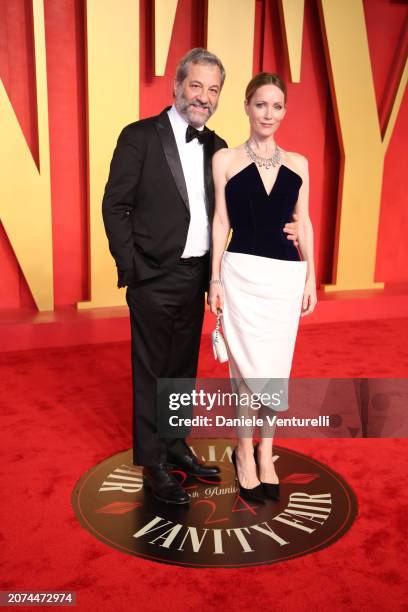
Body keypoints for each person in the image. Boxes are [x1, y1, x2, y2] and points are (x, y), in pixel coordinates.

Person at [102, 50, 300, 505]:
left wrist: (284, 227)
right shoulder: (139, 137)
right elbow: (115, 206)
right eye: (196, 86)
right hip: (153, 275)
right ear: (177, 86)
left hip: (198, 277)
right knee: (152, 371)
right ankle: (152, 464)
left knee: (181, 372)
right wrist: (134, 269)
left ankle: (174, 445)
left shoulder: (217, 147)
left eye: (213, 90)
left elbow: (235, 212)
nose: (203, 98)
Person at [209, 72, 317, 503]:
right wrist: (214, 278)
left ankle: (266, 450)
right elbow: (221, 222)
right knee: (243, 374)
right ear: (247, 106)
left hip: (284, 279)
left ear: (284, 111)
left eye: (276, 106)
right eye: (260, 105)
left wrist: (310, 275)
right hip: (240, 276)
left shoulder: (299, 164)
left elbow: (302, 222)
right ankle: (242, 451)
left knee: (275, 370)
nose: (268, 114)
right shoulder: (226, 160)